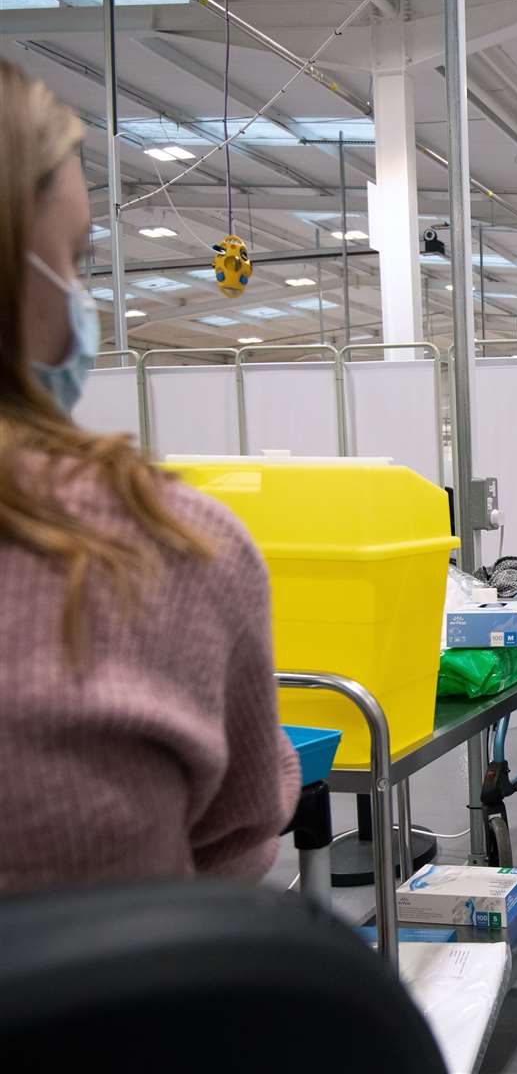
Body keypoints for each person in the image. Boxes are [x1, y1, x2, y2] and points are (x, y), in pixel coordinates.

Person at [0, 60, 299, 893]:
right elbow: (238, 839)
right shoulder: (168, 548)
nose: (80, 297)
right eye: (74, 256)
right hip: (108, 1023)